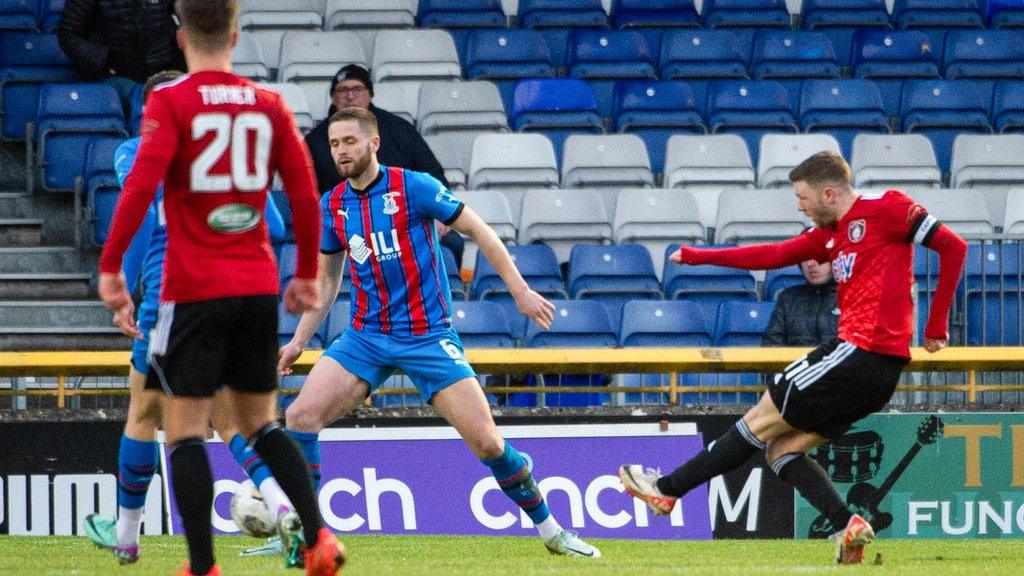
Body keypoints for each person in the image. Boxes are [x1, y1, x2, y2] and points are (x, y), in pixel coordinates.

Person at [280, 106, 601, 559]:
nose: (341, 151)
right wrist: (298, 340)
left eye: (350, 141)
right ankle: (310, 540)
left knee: (488, 443)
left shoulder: (414, 187)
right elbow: (329, 281)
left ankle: (552, 531)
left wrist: (521, 292)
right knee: (299, 417)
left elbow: (480, 231)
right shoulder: (333, 204)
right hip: (366, 336)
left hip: (427, 336)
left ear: (373, 143)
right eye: (334, 144)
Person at [619, 151, 967, 565]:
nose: (798, 205)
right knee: (781, 450)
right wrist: (698, 257)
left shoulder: (888, 207)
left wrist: (937, 323)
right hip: (879, 375)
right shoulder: (831, 235)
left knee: (761, 416)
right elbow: (771, 254)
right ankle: (846, 525)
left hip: (858, 353)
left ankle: (667, 489)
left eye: (802, 197)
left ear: (829, 192)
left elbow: (954, 246)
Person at [97, 2, 343, 575]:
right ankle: (318, 539)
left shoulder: (170, 101)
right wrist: (306, 273)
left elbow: (139, 188)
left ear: (181, 37)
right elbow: (304, 196)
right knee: (260, 424)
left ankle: (203, 566)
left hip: (192, 288)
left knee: (183, 431)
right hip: (256, 287)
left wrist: (112, 268)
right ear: (235, 33)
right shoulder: (270, 104)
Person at [83, 70, 292, 567]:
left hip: (171, 300)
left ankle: (127, 536)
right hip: (239, 297)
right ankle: (286, 509)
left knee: (145, 414)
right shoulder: (232, 155)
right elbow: (279, 228)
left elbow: (135, 222)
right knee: (234, 422)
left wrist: (123, 287)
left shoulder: (135, 151)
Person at [304, 64, 465, 268]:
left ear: (370, 94)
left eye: (357, 89)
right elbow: (306, 195)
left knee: (454, 243)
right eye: (343, 90)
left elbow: (432, 174)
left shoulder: (399, 129)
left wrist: (441, 216)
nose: (350, 96)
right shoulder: (315, 141)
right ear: (333, 98)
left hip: (406, 219)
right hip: (347, 222)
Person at [57, 0, 186, 103]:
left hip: (162, 71)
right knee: (141, 97)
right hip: (113, 76)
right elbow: (68, 35)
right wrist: (108, 59)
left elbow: (189, 19)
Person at [762, 258, 838, 347]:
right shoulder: (788, 298)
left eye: (818, 256)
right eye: (805, 258)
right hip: (794, 361)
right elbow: (772, 344)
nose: (810, 264)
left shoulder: (854, 298)